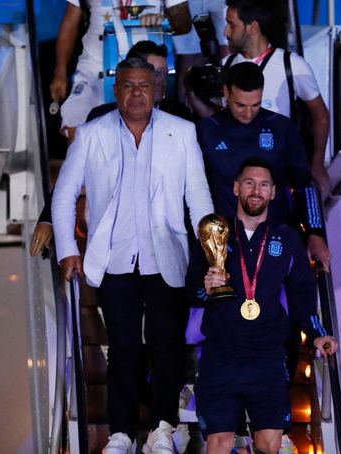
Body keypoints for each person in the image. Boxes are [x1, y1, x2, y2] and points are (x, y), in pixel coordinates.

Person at [51, 57, 214, 453]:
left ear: (158, 89)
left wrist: (214, 255)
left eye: (144, 85)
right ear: (116, 90)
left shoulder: (182, 132)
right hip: (114, 259)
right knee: (123, 347)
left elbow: (198, 197)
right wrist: (68, 252)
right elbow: (63, 195)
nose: (137, 92)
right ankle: (120, 434)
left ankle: (162, 430)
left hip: (167, 257)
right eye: (128, 85)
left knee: (167, 345)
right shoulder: (90, 134)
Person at [185, 157, 338, 454]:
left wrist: (318, 332)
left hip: (267, 356)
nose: (256, 190)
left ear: (273, 193)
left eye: (263, 185)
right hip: (221, 355)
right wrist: (205, 288)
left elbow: (302, 295)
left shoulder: (287, 239)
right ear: (236, 188)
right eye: (249, 183)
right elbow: (190, 292)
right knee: (217, 444)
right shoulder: (215, 235)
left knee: (269, 444)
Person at [29, 40, 191, 257]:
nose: (163, 81)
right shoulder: (101, 118)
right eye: (157, 73)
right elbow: (73, 175)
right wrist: (48, 219)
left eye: (165, 73)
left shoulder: (180, 116)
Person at [196, 62, 331, 272]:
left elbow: (305, 185)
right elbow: (195, 191)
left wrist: (315, 232)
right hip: (224, 246)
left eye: (255, 105)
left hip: (273, 242)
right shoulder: (206, 131)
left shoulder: (281, 128)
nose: (248, 113)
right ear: (226, 92)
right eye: (240, 105)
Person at [223, 0, 331, 196]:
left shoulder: (292, 65)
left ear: (252, 27)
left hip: (279, 173)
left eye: (232, 25)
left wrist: (317, 165)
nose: (226, 32)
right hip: (235, 172)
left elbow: (320, 115)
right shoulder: (226, 65)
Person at [51, 0, 192, 142]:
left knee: (147, 132)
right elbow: (70, 25)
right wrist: (60, 72)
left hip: (144, 72)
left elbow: (184, 22)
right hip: (94, 69)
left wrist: (164, 20)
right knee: (77, 125)